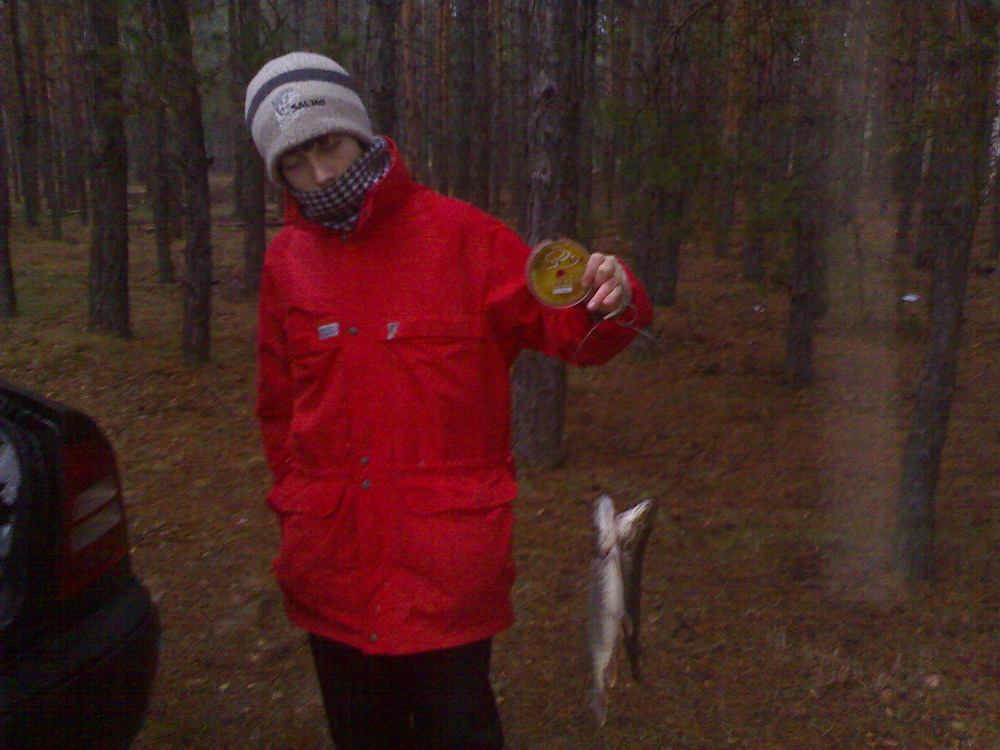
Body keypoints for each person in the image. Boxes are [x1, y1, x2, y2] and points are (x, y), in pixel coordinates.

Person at [244, 52, 653, 750]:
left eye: (327, 146)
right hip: (332, 571)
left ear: (358, 134)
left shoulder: (464, 238)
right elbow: (279, 407)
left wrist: (610, 298)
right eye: (294, 164)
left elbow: (571, 332)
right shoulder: (287, 263)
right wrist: (299, 504)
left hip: (445, 575)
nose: (320, 175)